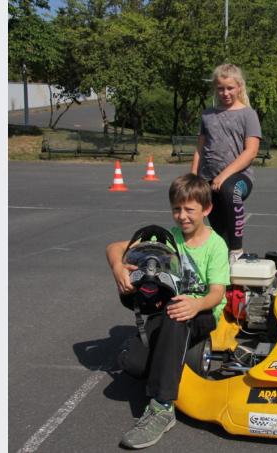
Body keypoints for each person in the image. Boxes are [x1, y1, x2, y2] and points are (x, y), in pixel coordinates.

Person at [106, 173, 230, 449]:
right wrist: (118, 267)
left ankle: (162, 407)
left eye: (189, 210)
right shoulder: (167, 239)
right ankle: (165, 357)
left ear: (206, 210)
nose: (182, 216)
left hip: (202, 312)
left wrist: (196, 304)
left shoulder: (216, 245)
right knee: (134, 365)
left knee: (177, 314)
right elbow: (114, 247)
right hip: (167, 310)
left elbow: (216, 294)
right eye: (177, 209)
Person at [192, 63, 262, 264]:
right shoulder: (208, 115)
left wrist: (223, 176)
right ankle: (217, 261)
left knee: (230, 192)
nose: (225, 93)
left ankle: (237, 250)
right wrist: (193, 177)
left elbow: (251, 152)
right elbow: (200, 149)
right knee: (216, 226)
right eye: (220, 88)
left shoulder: (248, 114)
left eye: (230, 88)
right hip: (209, 177)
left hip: (239, 178)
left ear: (239, 87)